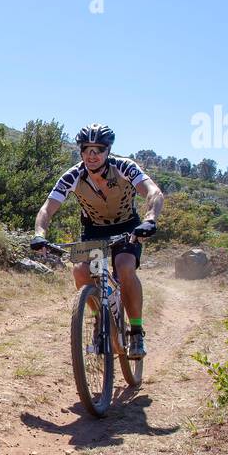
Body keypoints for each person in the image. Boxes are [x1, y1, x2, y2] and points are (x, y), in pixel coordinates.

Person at [30, 123, 163, 358]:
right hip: (94, 230)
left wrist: (150, 219)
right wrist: (40, 234)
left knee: (124, 267)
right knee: (80, 272)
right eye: (87, 149)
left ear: (108, 151)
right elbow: (46, 210)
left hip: (127, 227)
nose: (92, 155)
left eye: (98, 150)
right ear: (80, 151)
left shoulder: (124, 167)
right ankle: (100, 318)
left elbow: (154, 192)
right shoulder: (73, 176)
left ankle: (136, 331)